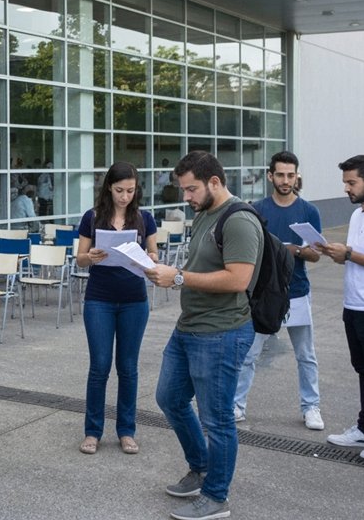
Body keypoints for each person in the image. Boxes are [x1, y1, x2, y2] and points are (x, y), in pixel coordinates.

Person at [145, 151, 262, 520]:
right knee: (170, 398)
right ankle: (201, 467)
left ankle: (216, 497)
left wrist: (178, 277)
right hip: (190, 327)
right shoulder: (205, 214)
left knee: (217, 419)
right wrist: (171, 271)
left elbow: (238, 279)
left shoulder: (239, 219)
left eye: (191, 188)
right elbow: (204, 266)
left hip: (221, 333)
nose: (186, 197)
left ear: (214, 182)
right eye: (183, 189)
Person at [233, 151, 324, 430]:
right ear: (270, 175)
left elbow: (316, 254)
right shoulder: (258, 209)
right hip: (265, 294)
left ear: (297, 176)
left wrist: (293, 250)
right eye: (281, 175)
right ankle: (237, 405)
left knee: (306, 355)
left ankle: (311, 408)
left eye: (291, 175)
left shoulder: (309, 211)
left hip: (297, 291)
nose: (286, 180)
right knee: (249, 355)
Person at [74, 162, 159, 456]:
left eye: (131, 191)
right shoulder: (93, 217)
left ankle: (126, 430)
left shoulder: (144, 218)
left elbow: (155, 254)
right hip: (100, 299)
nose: (125, 196)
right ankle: (93, 431)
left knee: (128, 367)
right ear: (109, 187)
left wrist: (150, 256)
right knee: (99, 367)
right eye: (120, 190)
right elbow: (79, 259)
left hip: (134, 300)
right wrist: (92, 256)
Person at [317, 154, 364, 457]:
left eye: (352, 182)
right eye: (345, 182)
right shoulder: (357, 215)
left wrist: (347, 254)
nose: (346, 188)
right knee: (361, 369)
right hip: (353, 303)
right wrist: (333, 252)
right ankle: (363, 429)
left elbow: (354, 255)